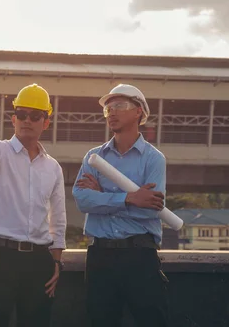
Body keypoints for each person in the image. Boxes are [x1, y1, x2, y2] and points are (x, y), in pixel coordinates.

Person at [0, 83, 67, 327]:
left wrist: (56, 261)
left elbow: (58, 217)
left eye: (35, 115)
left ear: (46, 122)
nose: (26, 120)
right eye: (21, 114)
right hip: (0, 257)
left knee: (37, 322)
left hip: (39, 261)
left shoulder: (52, 167)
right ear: (13, 119)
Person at [72, 83, 170, 327]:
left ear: (139, 112)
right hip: (100, 256)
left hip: (140, 255)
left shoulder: (153, 159)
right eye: (108, 108)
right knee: (100, 321)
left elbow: (150, 208)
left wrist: (102, 195)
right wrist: (127, 197)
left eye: (119, 106)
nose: (111, 112)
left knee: (151, 320)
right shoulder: (94, 157)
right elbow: (82, 199)